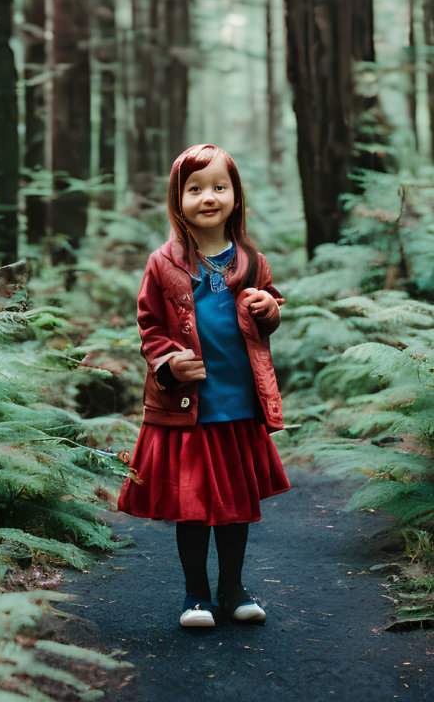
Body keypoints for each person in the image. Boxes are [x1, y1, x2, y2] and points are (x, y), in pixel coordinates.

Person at [117, 143, 291, 628]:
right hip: (188, 405)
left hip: (238, 402)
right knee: (192, 506)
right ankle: (195, 595)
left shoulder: (252, 261)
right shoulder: (163, 262)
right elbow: (149, 324)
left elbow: (269, 309)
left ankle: (233, 588)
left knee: (235, 505)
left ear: (236, 195)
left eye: (219, 186)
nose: (208, 196)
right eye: (195, 188)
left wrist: (270, 309)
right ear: (178, 200)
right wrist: (167, 363)